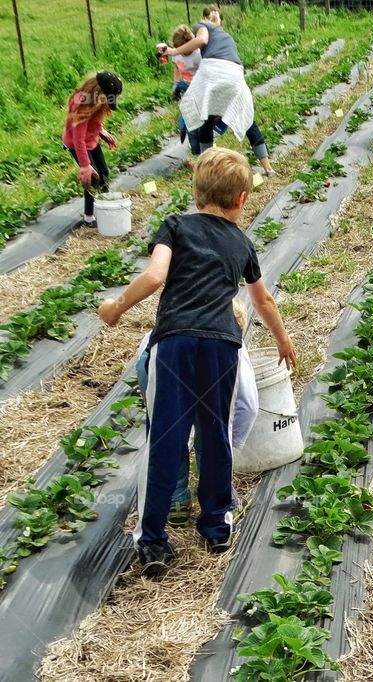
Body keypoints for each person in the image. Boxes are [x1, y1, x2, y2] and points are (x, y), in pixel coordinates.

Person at [98, 147, 296, 576]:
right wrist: (282, 339)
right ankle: (215, 525)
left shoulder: (175, 226)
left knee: (165, 439)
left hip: (175, 345)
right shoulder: (241, 242)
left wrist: (115, 307)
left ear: (194, 191)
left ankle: (153, 542)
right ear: (242, 200)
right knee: (215, 433)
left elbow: (154, 277)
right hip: (222, 346)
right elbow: (261, 299)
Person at [134, 297, 256, 527]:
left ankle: (176, 501)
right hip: (186, 361)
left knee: (169, 436)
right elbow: (248, 405)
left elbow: (144, 372)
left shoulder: (170, 324)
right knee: (210, 436)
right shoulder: (229, 343)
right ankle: (222, 501)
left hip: (153, 359)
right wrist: (229, 442)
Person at [162, 5, 277, 177]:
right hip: (234, 75)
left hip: (213, 72)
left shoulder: (202, 26)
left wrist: (173, 51)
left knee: (204, 118)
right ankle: (268, 168)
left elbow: (202, 40)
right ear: (220, 20)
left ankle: (205, 169)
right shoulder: (226, 36)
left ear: (205, 18)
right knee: (248, 120)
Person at [63, 71, 122, 230]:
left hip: (91, 140)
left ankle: (105, 205)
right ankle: (89, 218)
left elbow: (94, 122)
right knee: (93, 178)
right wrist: (85, 166)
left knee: (104, 173)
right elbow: (78, 139)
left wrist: (101, 132)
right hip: (78, 145)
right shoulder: (82, 105)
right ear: (99, 92)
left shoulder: (96, 101)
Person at [164, 24, 227, 160]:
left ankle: (205, 148)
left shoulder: (198, 55)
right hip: (187, 89)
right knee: (189, 119)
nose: (183, 53)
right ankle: (197, 152)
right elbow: (177, 68)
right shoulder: (177, 54)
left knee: (201, 120)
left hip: (200, 90)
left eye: (186, 51)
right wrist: (176, 84)